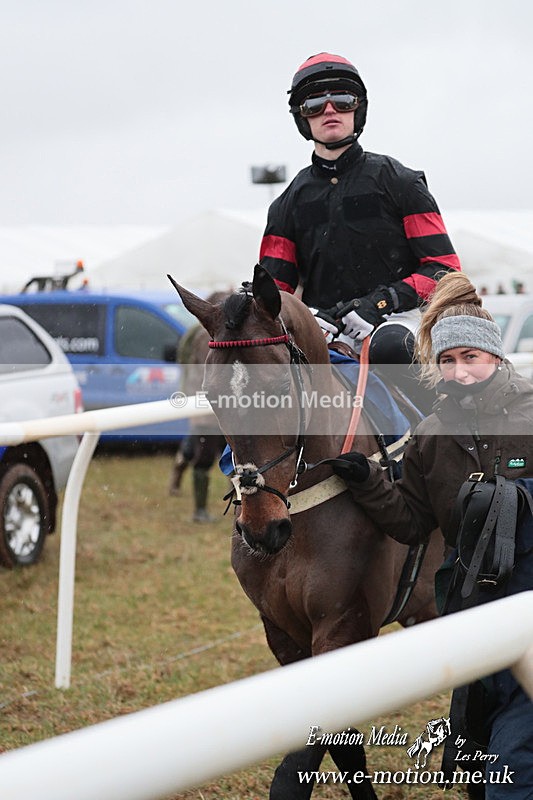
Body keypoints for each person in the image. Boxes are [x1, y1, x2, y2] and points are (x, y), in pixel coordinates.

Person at [329, 271, 533, 796]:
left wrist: (520, 497)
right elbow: (411, 523)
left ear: (495, 356)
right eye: (448, 360)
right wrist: (368, 483)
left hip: (528, 591)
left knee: (513, 741)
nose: (460, 370)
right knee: (481, 730)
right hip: (468, 598)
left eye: (471, 357)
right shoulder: (431, 436)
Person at [259, 52, 461, 409]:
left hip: (396, 320)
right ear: (302, 118)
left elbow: (443, 269)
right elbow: (273, 294)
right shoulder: (285, 205)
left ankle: (438, 447)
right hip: (322, 327)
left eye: (342, 100)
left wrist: (378, 303)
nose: (329, 110)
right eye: (314, 104)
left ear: (358, 109)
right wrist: (305, 318)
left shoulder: (400, 182)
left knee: (391, 346)